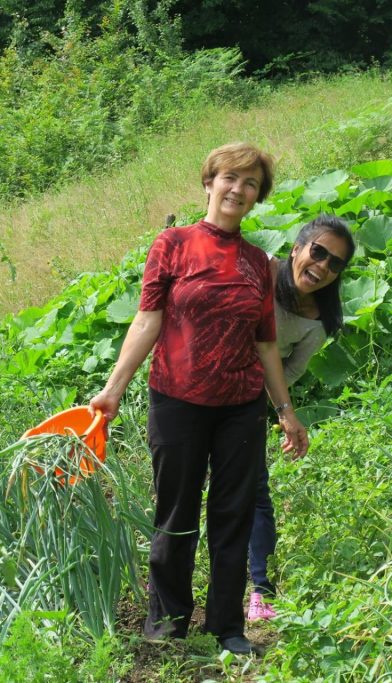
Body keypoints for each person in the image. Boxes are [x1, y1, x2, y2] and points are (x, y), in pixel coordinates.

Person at [89, 142, 308, 656]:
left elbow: (266, 344)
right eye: (230, 177)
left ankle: (228, 626)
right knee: (176, 513)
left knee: (232, 515)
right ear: (209, 182)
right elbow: (148, 319)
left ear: (257, 197)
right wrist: (113, 388)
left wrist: (285, 412)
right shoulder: (173, 243)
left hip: (240, 408)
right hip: (177, 401)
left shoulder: (259, 262)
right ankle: (167, 622)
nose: (239, 189)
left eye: (251, 183)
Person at [247, 214, 355, 621]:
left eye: (335, 264)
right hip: (202, 387)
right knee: (183, 484)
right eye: (319, 252)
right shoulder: (258, 270)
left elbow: (290, 369)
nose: (323, 266)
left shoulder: (318, 320)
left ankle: (260, 594)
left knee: (254, 493)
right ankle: (167, 579)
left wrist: (268, 398)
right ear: (297, 248)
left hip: (251, 401)